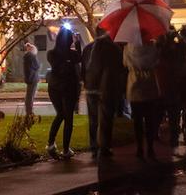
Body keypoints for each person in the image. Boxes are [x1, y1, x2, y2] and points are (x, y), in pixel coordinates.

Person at [84, 25, 127, 158]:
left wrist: (87, 83)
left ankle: (94, 147)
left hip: (91, 87)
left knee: (93, 119)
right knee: (106, 119)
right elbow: (121, 70)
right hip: (106, 88)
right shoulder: (114, 48)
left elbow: (85, 68)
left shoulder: (88, 48)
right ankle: (104, 147)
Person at [45, 27, 82, 159]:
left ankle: (50, 143)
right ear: (69, 40)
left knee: (60, 114)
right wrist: (77, 43)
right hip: (68, 88)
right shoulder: (71, 54)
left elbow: (56, 65)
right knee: (68, 118)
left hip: (54, 88)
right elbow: (79, 58)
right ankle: (66, 149)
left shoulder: (51, 53)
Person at [126, 36, 162, 160]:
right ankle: (150, 147)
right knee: (150, 119)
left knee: (137, 121)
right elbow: (157, 61)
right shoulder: (152, 47)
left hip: (134, 86)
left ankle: (140, 148)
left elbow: (125, 63)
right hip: (149, 86)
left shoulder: (128, 47)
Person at [22, 42, 40, 119]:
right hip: (33, 78)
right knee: (30, 96)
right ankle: (29, 112)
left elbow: (27, 69)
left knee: (29, 96)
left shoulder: (27, 56)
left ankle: (28, 111)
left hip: (30, 78)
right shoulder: (31, 56)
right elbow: (37, 66)